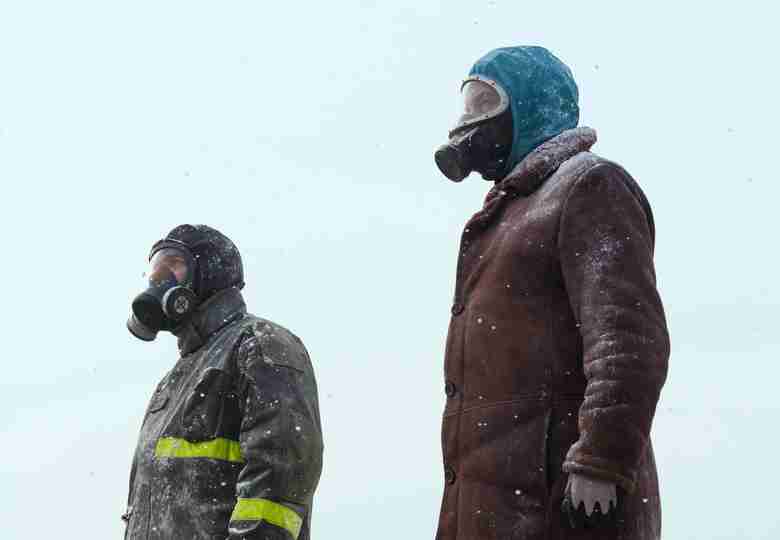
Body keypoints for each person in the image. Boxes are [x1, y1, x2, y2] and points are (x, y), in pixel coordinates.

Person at [433, 46, 670, 540]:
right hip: (496, 508)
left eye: (485, 103)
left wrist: (601, 459)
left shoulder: (590, 186)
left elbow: (628, 337)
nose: (469, 122)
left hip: (557, 507)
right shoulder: (506, 215)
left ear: (531, 103)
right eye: (467, 103)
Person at [124, 224, 323, 540]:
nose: (159, 280)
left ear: (210, 274)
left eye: (173, 266)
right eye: (155, 271)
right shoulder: (174, 380)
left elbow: (281, 479)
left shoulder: (259, 344)